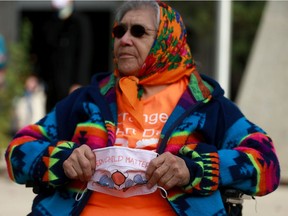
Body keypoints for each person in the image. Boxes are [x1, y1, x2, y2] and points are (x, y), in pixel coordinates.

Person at [5, 1, 280, 215]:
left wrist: (195, 169)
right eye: (119, 31)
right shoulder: (89, 99)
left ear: (166, 40)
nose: (125, 39)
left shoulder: (205, 104)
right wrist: (60, 159)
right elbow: (17, 151)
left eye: (138, 32)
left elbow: (266, 163)